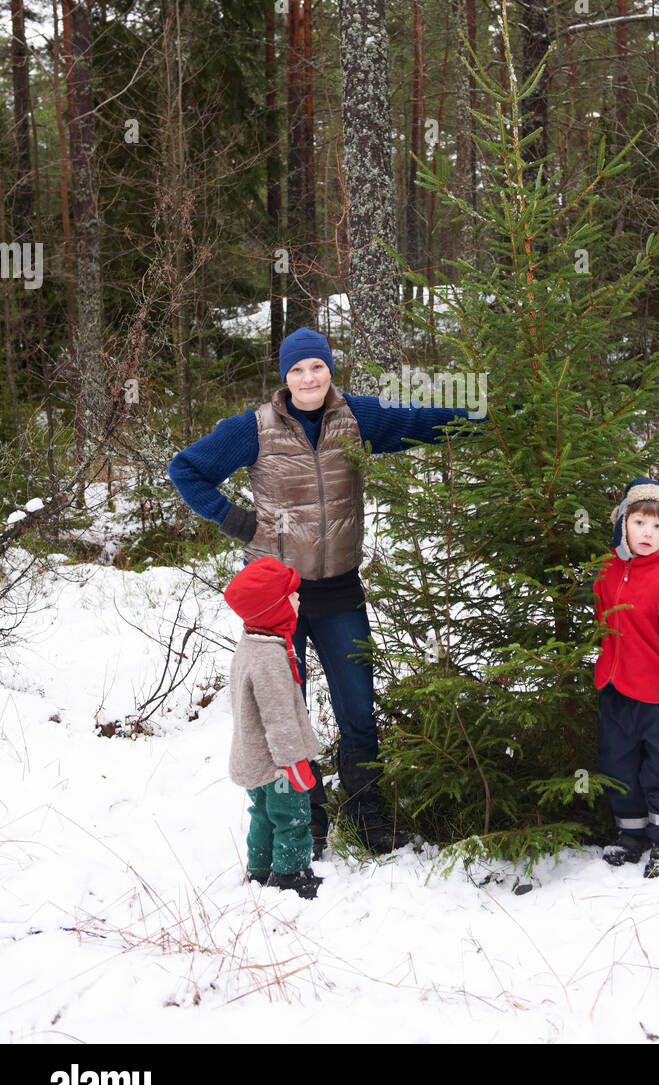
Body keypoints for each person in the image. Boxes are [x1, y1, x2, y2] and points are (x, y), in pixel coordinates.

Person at [168, 326, 484, 856]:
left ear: (329, 370)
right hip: (278, 601)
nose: (308, 378)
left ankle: (366, 819)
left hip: (339, 589)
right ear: (285, 377)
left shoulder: (357, 417)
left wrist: (494, 416)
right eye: (296, 370)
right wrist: (242, 524)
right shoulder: (254, 429)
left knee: (357, 705)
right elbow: (187, 469)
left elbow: (423, 422)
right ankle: (306, 822)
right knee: (287, 711)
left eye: (316, 367)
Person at [592, 476, 659, 879]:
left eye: (658, 526)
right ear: (622, 524)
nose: (648, 533)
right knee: (618, 762)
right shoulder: (606, 570)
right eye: (639, 522)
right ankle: (631, 834)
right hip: (616, 687)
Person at [223, 556, 323, 897]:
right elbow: (278, 720)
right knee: (290, 817)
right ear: (273, 609)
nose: (298, 600)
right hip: (278, 765)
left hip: (253, 760)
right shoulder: (269, 659)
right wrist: (294, 764)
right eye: (291, 596)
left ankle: (260, 870)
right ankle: (291, 876)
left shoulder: (251, 644)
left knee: (263, 815)